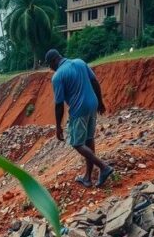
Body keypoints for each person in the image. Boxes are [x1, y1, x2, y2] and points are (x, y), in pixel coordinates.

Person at [45, 49, 113, 188]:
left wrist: (58, 126)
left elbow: (59, 104)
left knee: (76, 143)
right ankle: (87, 177)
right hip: (92, 104)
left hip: (79, 109)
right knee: (88, 139)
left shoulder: (58, 76)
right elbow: (94, 81)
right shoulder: (80, 62)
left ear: (53, 61)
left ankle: (103, 167)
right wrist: (100, 102)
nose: (50, 68)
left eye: (49, 65)